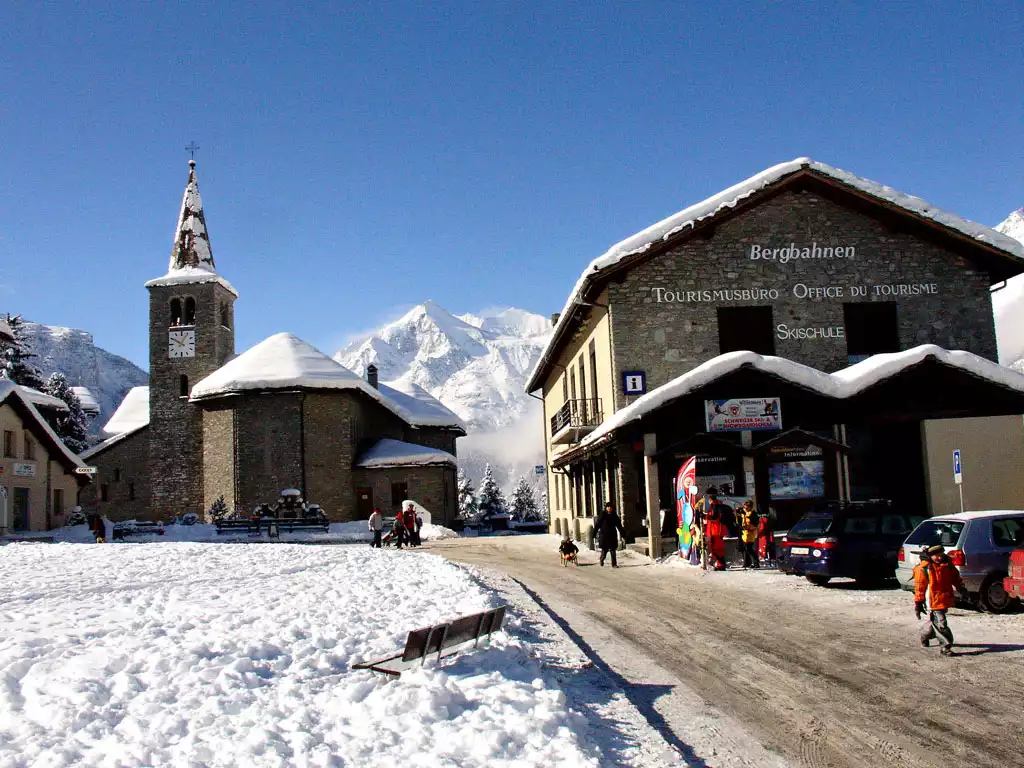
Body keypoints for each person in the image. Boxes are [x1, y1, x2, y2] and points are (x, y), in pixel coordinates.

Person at [914, 544, 969, 656]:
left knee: (936, 622)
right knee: (941, 623)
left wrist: (961, 589)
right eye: (936, 556)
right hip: (932, 599)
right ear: (930, 555)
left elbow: (955, 577)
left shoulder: (948, 565)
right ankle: (945, 647)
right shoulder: (925, 568)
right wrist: (918, 602)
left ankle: (925, 635)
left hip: (944, 598)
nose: (939, 558)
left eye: (940, 555)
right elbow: (919, 586)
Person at [696, 489, 727, 570]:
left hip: (716, 530)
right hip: (715, 530)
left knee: (717, 549)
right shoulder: (715, 505)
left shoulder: (715, 506)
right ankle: (719, 564)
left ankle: (721, 565)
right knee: (716, 548)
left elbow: (714, 517)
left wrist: (704, 516)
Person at [594, 502, 625, 568]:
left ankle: (614, 564)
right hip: (604, 535)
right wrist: (594, 533)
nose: (609, 508)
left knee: (613, 551)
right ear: (606, 508)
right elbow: (598, 524)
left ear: (612, 508)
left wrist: (623, 534)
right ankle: (601, 559)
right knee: (604, 551)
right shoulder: (603, 515)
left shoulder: (614, 515)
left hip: (612, 535)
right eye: (608, 507)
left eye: (610, 507)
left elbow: (619, 525)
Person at [737, 500, 760, 569]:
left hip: (750, 533)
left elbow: (756, 524)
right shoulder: (743, 512)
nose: (745, 509)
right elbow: (739, 520)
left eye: (747, 507)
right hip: (744, 533)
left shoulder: (753, 514)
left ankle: (756, 563)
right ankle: (747, 563)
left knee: (749, 548)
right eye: (745, 507)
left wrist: (750, 527)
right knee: (745, 549)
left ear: (750, 507)